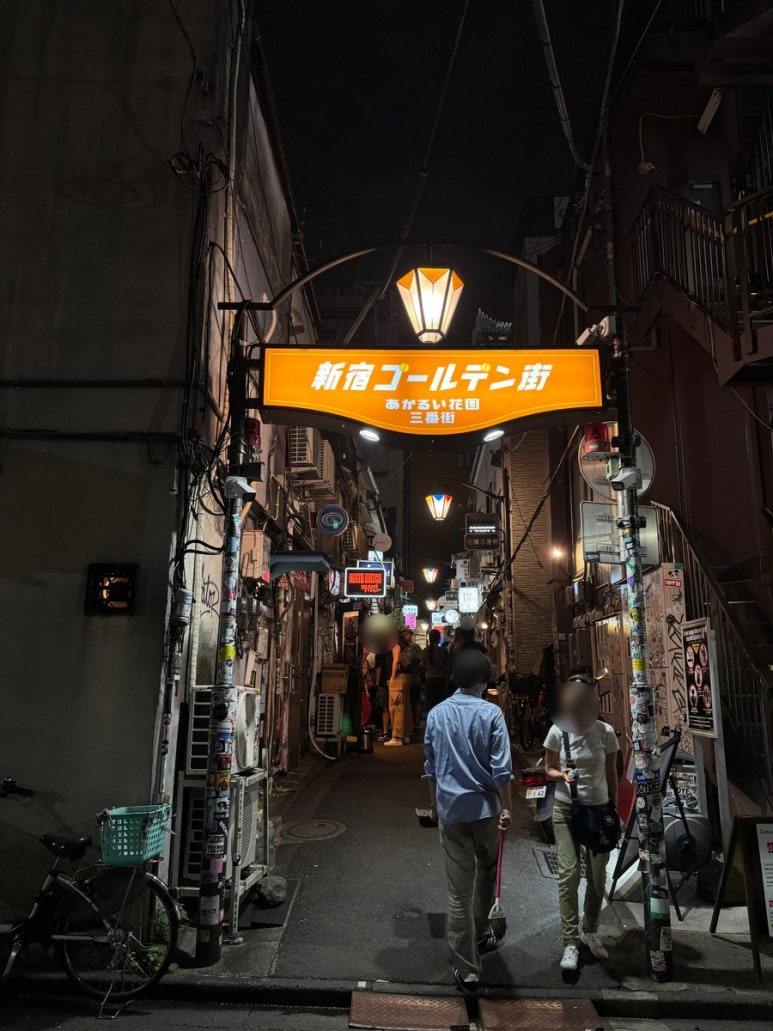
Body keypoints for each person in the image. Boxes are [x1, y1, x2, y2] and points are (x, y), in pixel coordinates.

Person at [423, 649, 513, 993]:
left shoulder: (436, 714)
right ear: (482, 681)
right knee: (487, 872)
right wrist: (507, 808)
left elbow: (430, 766)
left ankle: (468, 969)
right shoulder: (492, 714)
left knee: (458, 892)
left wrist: (433, 806)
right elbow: (501, 768)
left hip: (451, 810)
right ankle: (482, 934)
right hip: (487, 810)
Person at [543, 679, 620, 973]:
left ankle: (590, 930)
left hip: (600, 811)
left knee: (598, 877)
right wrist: (561, 774)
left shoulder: (605, 732)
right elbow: (547, 769)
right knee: (569, 872)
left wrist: (614, 811)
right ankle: (570, 942)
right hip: (566, 810)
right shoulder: (556, 732)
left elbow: (612, 771)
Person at [384, 629, 414, 746]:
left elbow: (396, 661)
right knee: (405, 706)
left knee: (396, 707)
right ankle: (406, 735)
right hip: (406, 677)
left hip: (398, 678)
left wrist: (392, 676)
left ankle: (397, 737)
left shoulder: (395, 645)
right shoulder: (405, 643)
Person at [402, 628, 425, 732]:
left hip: (415, 678)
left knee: (415, 701)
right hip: (405, 678)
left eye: (406, 634)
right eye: (403, 634)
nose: (405, 636)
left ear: (411, 635)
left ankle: (416, 723)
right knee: (407, 702)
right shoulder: (402, 647)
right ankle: (409, 723)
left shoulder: (416, 647)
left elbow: (421, 662)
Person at [423, 628, 450, 712]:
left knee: (430, 703)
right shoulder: (443, 651)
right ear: (439, 639)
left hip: (429, 679)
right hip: (441, 679)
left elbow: (423, 664)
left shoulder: (425, 650)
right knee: (440, 704)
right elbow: (447, 667)